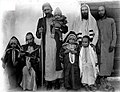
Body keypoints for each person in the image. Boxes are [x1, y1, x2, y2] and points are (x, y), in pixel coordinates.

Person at [36, 2, 68, 90]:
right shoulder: (41, 20)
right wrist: (40, 31)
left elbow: (65, 29)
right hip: (46, 43)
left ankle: (57, 81)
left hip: (56, 42)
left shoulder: (57, 18)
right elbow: (38, 35)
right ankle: (49, 82)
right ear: (43, 11)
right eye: (45, 10)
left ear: (51, 9)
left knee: (56, 61)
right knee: (48, 63)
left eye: (48, 9)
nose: (47, 11)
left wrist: (60, 27)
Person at [97, 6, 117, 91]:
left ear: (105, 11)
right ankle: (102, 81)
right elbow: (97, 34)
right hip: (100, 46)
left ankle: (105, 80)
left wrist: (112, 44)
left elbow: (114, 33)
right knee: (101, 63)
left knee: (108, 63)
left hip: (109, 46)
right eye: (99, 11)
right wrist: (97, 46)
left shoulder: (111, 21)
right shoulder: (97, 22)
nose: (100, 12)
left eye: (102, 10)